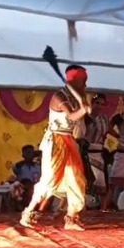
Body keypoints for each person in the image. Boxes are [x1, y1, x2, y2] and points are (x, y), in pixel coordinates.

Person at [20, 65, 90, 231]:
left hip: (69, 140)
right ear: (74, 80)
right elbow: (72, 115)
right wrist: (84, 109)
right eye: (83, 81)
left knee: (76, 178)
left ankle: (71, 218)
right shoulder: (59, 97)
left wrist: (84, 103)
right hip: (56, 142)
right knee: (49, 179)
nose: (85, 84)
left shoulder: (76, 96)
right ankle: (28, 213)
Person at [84, 95, 112, 211]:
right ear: (91, 103)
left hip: (99, 153)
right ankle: (81, 210)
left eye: (102, 104)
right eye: (97, 103)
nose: (99, 106)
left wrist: (121, 137)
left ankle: (103, 210)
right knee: (85, 182)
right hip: (86, 153)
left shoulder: (104, 118)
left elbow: (108, 131)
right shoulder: (84, 117)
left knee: (101, 183)